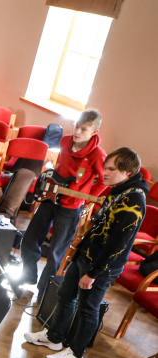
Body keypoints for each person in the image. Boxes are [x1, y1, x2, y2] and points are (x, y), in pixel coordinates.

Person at [25, 147, 148, 358]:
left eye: (111, 169)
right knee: (65, 295)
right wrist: (79, 251)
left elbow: (117, 244)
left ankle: (76, 353)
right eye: (105, 168)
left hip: (101, 266)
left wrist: (93, 273)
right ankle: (54, 338)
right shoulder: (118, 189)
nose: (104, 173)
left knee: (87, 309)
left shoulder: (134, 201)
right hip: (86, 255)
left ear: (127, 172)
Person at [16, 109, 106, 299]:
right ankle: (28, 275)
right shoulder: (65, 141)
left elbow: (104, 180)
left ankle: (44, 290)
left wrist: (88, 196)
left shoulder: (98, 154)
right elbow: (60, 167)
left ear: (94, 132)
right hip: (50, 198)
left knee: (56, 252)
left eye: (84, 129)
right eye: (76, 126)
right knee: (30, 239)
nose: (77, 132)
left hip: (71, 207)